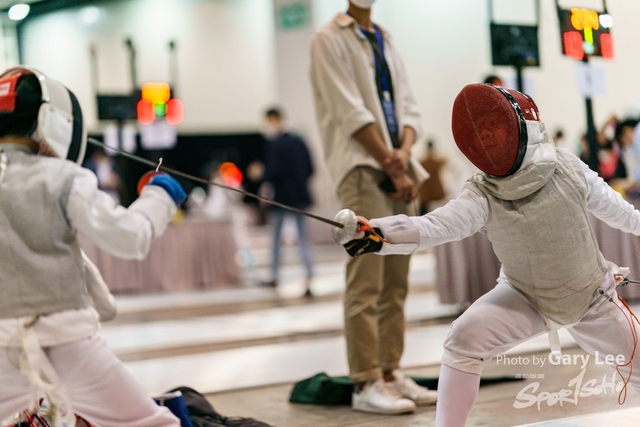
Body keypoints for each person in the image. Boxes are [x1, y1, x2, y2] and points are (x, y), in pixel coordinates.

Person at [342, 83, 640, 427]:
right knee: (464, 337)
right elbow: (435, 226)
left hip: (593, 297)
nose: (486, 139)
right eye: (478, 132)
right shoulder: (483, 193)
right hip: (525, 297)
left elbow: (622, 213)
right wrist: (379, 233)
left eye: (493, 128)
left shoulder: (568, 169)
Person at [0, 66, 186, 426]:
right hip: (69, 343)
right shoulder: (62, 178)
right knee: (157, 423)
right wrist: (160, 196)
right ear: (54, 118)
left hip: (0, 344)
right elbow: (130, 237)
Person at [309, 0, 435, 414]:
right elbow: (349, 112)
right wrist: (389, 159)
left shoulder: (385, 38)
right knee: (367, 278)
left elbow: (409, 107)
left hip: (399, 168)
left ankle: (389, 370)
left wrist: (404, 153)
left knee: (397, 279)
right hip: (364, 170)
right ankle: (365, 382)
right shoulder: (328, 39)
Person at [260, 107, 315, 296]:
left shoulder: (276, 144)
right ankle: (308, 274)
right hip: (300, 195)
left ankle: (275, 275)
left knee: (276, 238)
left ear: (274, 119)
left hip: (282, 198)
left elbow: (275, 170)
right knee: (302, 238)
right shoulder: (299, 141)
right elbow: (310, 168)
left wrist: (261, 174)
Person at [417, 140, 447, 215]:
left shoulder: (423, 161)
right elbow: (445, 161)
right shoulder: (435, 161)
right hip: (434, 191)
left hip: (427, 192)